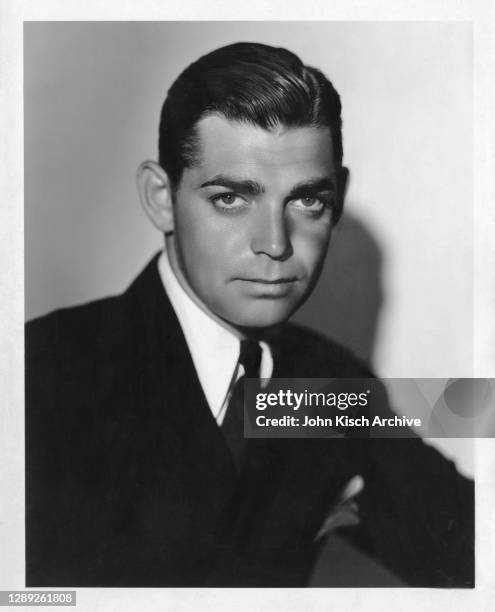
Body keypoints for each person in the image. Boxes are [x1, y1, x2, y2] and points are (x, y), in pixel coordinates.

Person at [25, 42, 474, 588]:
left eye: (308, 201)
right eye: (232, 199)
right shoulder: (38, 373)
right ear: (161, 197)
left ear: (338, 198)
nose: (275, 244)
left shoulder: (330, 387)